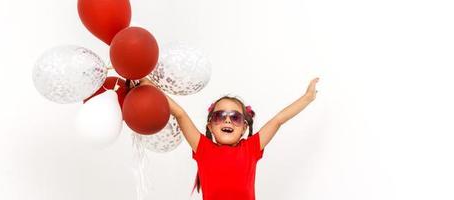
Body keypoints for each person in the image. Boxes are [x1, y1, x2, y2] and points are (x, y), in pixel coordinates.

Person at [137, 77, 319, 200]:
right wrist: (149, 85)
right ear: (210, 125)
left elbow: (278, 120)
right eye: (220, 116)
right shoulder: (203, 148)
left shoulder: (251, 148)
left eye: (235, 117)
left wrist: (307, 98)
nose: (227, 120)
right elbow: (180, 114)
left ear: (244, 128)